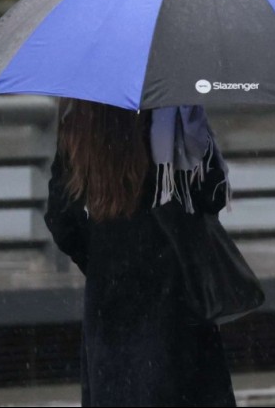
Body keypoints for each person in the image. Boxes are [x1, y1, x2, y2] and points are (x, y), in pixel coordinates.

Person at [44, 98, 236, 407]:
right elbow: (211, 195)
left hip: (110, 300)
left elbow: (61, 217)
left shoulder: (80, 116)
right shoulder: (175, 110)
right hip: (175, 290)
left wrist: (102, 259)